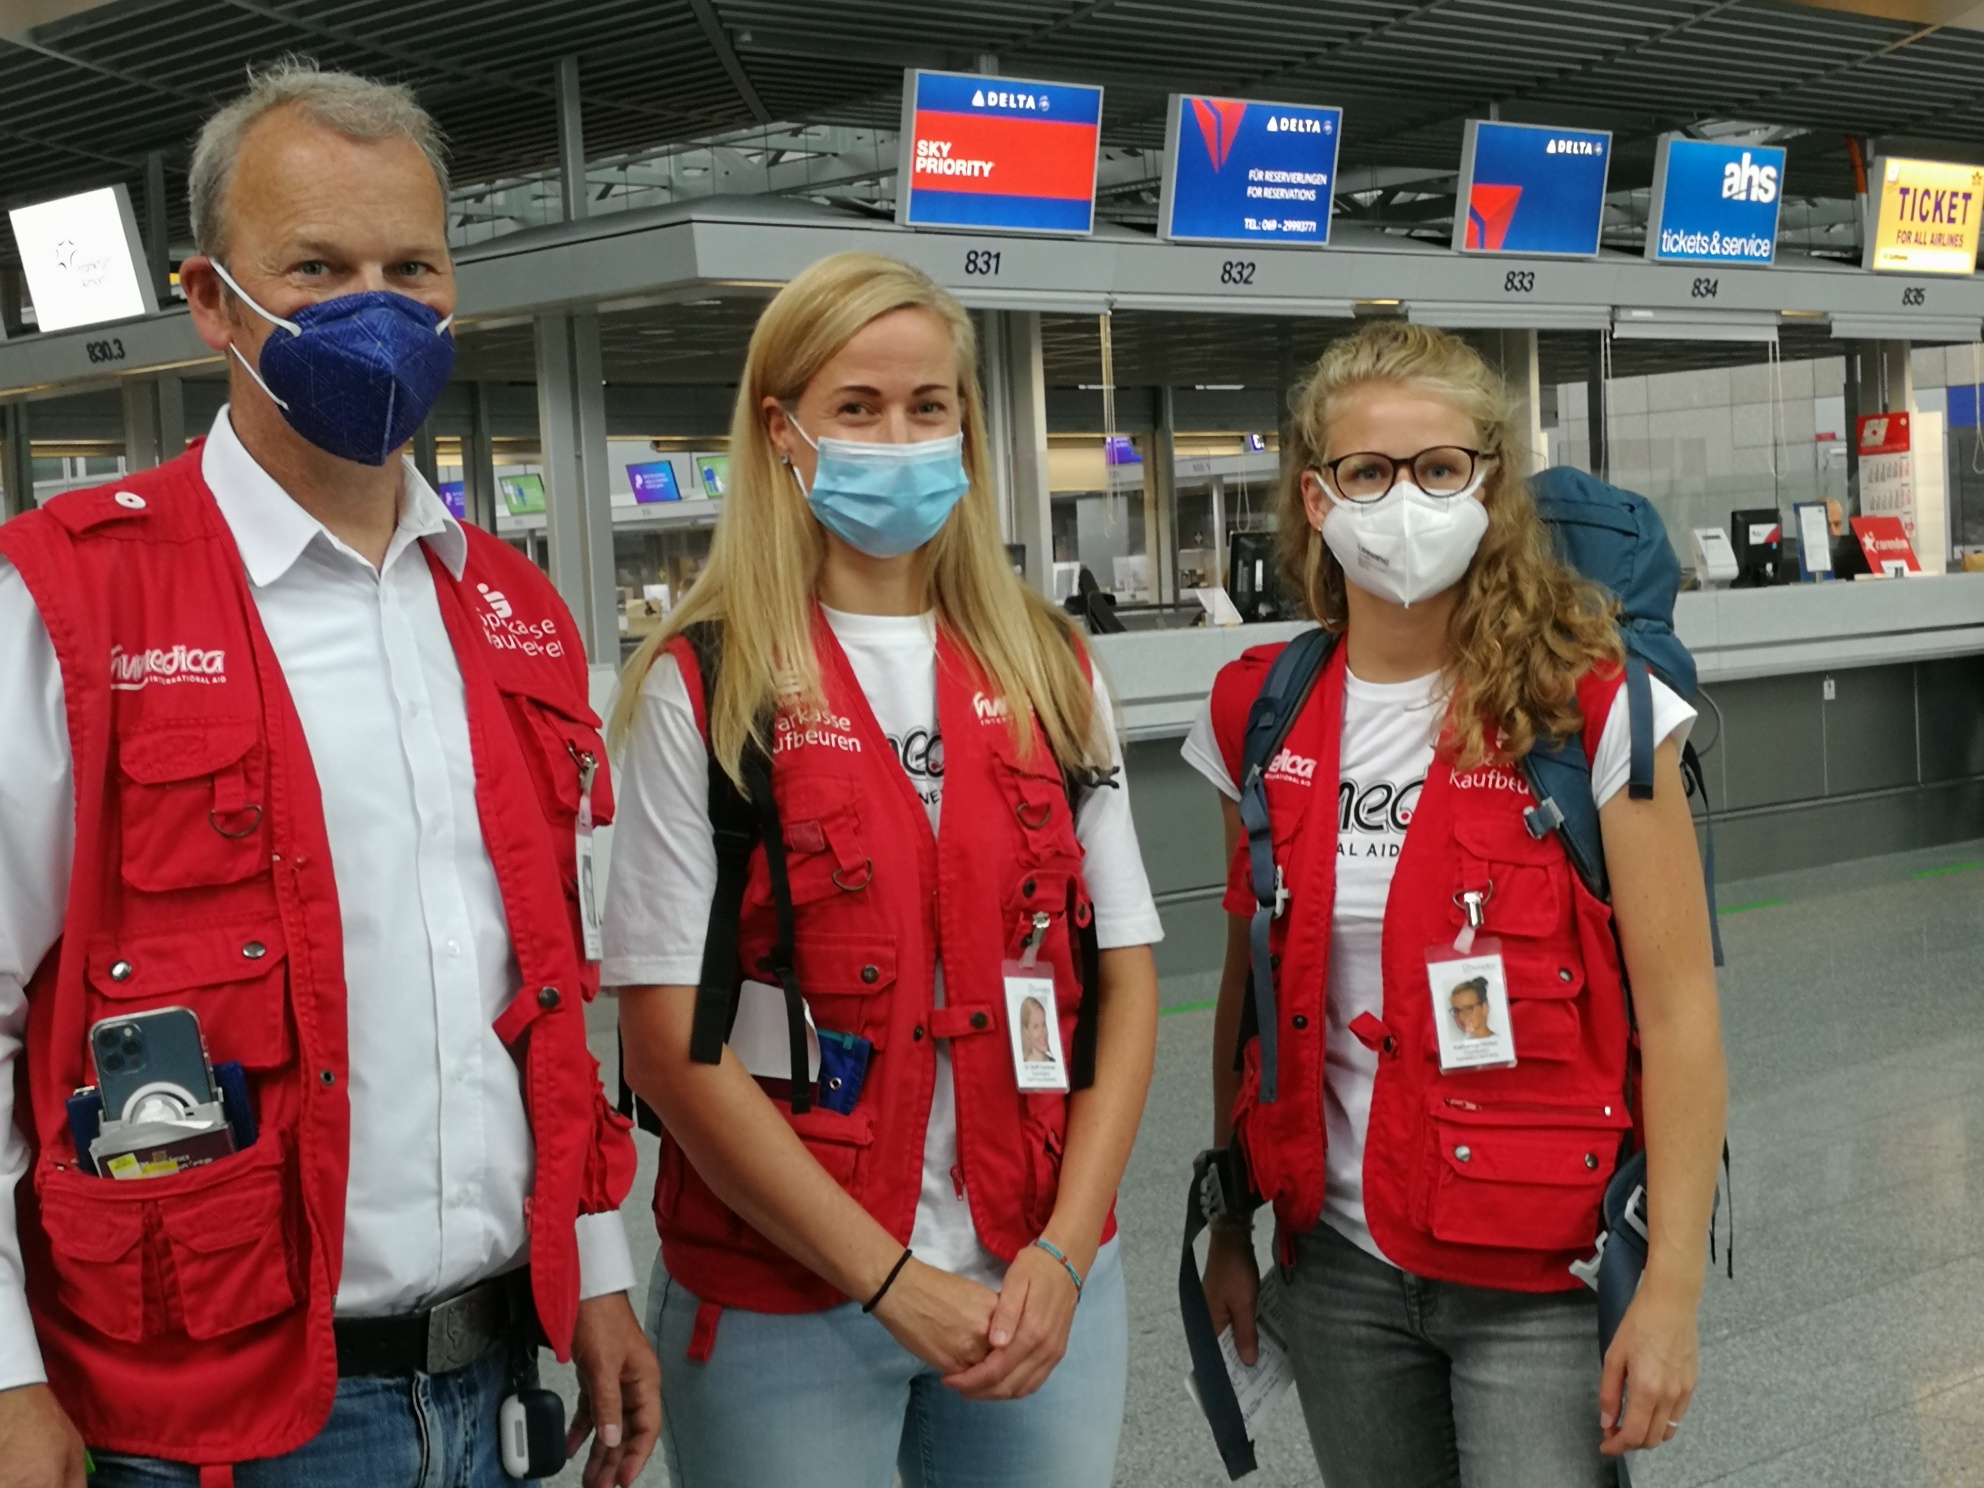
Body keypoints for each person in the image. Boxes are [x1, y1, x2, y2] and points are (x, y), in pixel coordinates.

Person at [0, 63, 658, 1488]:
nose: (374, 304)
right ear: (209, 301)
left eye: (409, 265)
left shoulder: (513, 615)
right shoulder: (68, 608)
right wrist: (4, 1374)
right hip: (192, 1421)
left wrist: (596, 1262)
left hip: (492, 1377)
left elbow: (548, 990)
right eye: (315, 267)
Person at [604, 251, 1162, 1488]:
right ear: (783, 430)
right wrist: (892, 1280)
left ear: (966, 419)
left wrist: (1067, 1251)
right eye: (857, 407)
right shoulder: (703, 687)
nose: (899, 437)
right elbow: (665, 1044)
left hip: (1039, 1278)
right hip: (785, 1299)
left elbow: (1121, 983)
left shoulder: (1051, 670)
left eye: (928, 406)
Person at [1187, 321, 1727, 1487]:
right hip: (1335, 1265)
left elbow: (1680, 1012)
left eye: (1438, 469)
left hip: (1540, 1271)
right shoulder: (1260, 715)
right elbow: (1251, 997)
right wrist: (1230, 1215)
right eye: (1367, 472)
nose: (1405, 500)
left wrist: (1671, 1281)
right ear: (1316, 497)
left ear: (1488, 486)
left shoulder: (1594, 709)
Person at [1019, 997, 1054, 1065]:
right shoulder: (1021, 1066)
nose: (1043, 1032)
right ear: (1026, 1030)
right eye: (1036, 1027)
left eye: (1043, 1025)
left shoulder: (1055, 1064)